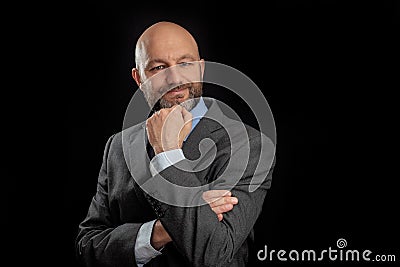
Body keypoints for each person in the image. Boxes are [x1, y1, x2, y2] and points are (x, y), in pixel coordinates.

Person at [76, 21, 275, 267]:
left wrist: (168, 154)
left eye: (185, 64)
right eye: (159, 67)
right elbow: (87, 246)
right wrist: (159, 231)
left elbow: (214, 253)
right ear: (139, 79)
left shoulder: (250, 145)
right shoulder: (117, 147)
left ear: (201, 69)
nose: (175, 78)